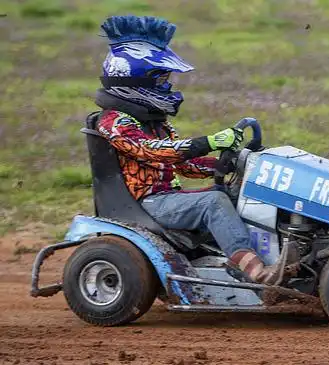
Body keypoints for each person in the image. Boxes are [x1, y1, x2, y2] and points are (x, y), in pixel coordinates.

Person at [93, 15, 294, 284]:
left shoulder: (154, 122)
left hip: (167, 198)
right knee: (213, 202)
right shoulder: (114, 122)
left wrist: (234, 163)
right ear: (137, 82)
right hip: (148, 203)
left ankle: (281, 255)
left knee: (236, 194)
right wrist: (209, 142)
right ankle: (254, 269)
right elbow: (152, 151)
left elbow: (184, 164)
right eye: (162, 79)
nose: (168, 86)